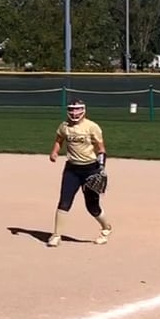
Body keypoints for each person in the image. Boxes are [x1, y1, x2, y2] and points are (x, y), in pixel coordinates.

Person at [46, 99, 112, 248]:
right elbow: (59, 140)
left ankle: (106, 228)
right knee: (64, 202)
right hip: (72, 170)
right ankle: (56, 235)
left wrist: (101, 168)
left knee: (92, 206)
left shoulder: (92, 127)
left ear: (84, 110)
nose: (74, 113)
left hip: (90, 169)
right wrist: (55, 151)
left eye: (77, 109)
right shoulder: (64, 126)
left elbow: (101, 149)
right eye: (71, 109)